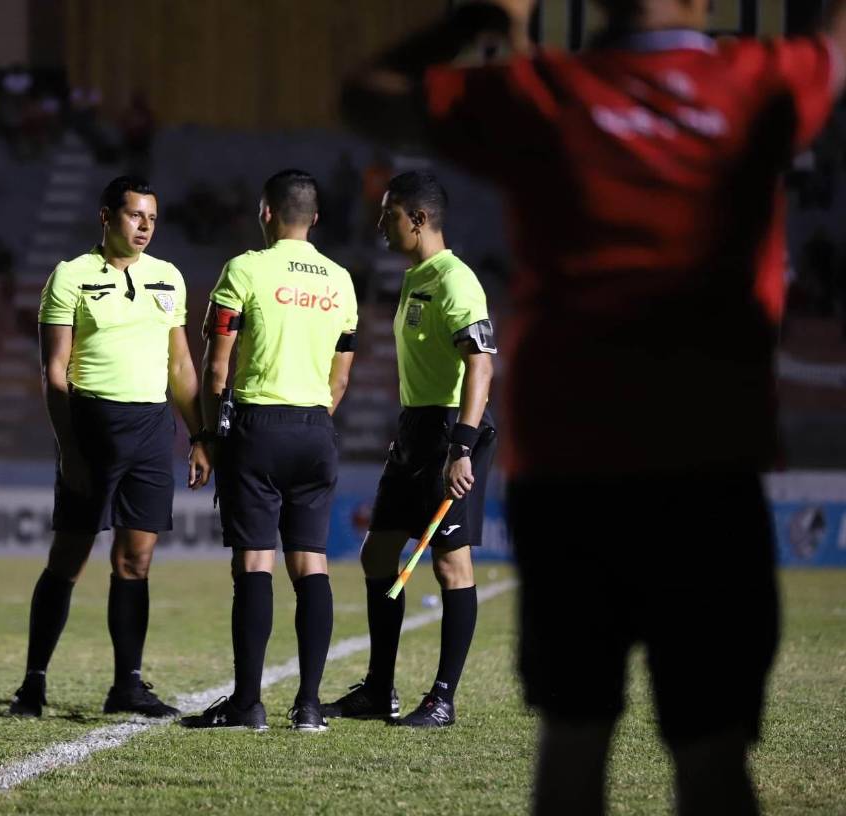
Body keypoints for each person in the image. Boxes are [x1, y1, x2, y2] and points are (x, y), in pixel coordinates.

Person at [342, 0, 846, 813]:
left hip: (572, 468)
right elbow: (833, 41)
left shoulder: (544, 91)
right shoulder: (754, 82)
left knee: (573, 744)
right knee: (713, 755)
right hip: (709, 464)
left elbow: (365, 94)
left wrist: (481, 16)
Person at [9, 175, 211, 719]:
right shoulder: (70, 276)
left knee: (136, 561)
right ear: (106, 217)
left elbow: (181, 366)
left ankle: (128, 684)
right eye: (133, 215)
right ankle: (33, 682)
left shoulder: (168, 278)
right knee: (68, 559)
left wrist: (199, 434)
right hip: (92, 428)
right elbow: (54, 373)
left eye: (151, 217)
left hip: (152, 430)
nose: (144, 226)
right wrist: (69, 450)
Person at [181, 169, 358, 732]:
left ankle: (248, 705)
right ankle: (309, 707)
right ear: (315, 218)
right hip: (314, 427)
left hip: (256, 426)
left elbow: (215, 365)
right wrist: (312, 419)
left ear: (266, 213)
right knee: (311, 562)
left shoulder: (244, 269)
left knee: (254, 562)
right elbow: (342, 375)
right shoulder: (341, 280)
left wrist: (207, 437)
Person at [322, 170, 496, 728]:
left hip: (451, 433)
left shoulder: (455, 280)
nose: (379, 224)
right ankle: (378, 689)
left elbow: (481, 364)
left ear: (418, 219)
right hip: (417, 431)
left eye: (388, 213)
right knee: (378, 554)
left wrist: (461, 447)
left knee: (451, 565)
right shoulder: (416, 278)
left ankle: (442, 698)